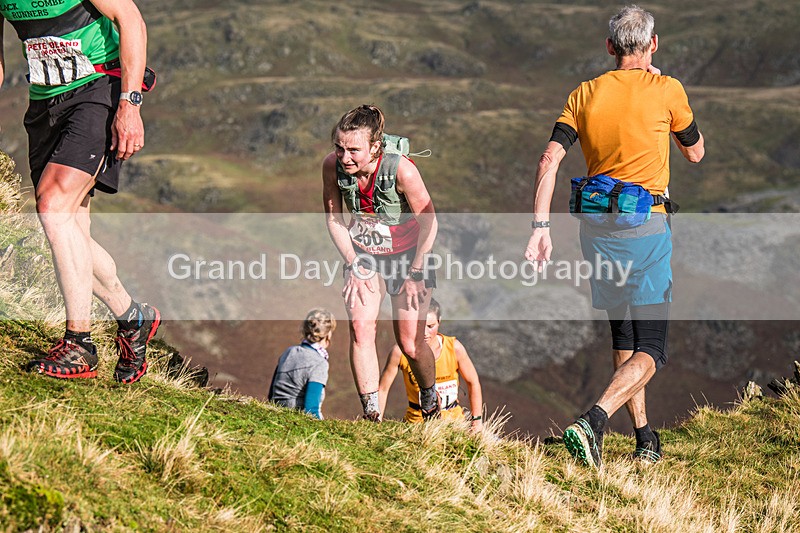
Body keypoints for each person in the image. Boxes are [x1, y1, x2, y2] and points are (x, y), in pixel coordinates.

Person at [524, 5, 705, 468]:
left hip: (597, 229)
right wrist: (660, 90)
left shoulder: (583, 94)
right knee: (653, 347)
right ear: (653, 45)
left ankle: (644, 437)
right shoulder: (668, 90)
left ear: (609, 47)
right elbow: (696, 153)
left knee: (622, 331)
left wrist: (540, 227)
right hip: (646, 228)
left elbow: (549, 161)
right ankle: (594, 421)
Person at [0, 0, 160, 382]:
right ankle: (132, 318)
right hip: (44, 103)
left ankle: (79, 344)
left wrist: (130, 103)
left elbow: (131, 19)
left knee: (53, 207)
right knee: (70, 230)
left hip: (97, 92)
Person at [322, 104, 439, 422]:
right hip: (365, 256)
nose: (345, 157)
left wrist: (416, 272)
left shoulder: (402, 170)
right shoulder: (332, 166)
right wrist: (353, 265)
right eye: (339, 147)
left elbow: (430, 223)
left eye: (353, 150)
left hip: (409, 257)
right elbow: (335, 220)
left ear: (375, 146)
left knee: (410, 343)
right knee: (361, 329)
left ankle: (429, 399)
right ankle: (371, 414)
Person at [378, 298, 484, 432]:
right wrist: (376, 424)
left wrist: (477, 421)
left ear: (439, 321)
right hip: (416, 425)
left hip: (455, 423)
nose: (425, 333)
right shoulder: (400, 352)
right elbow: (382, 389)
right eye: (419, 326)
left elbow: (473, 382)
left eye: (430, 326)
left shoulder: (454, 348)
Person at [268, 308, 336, 419]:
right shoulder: (319, 363)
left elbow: (272, 393)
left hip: (275, 412)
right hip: (296, 418)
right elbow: (311, 409)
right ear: (328, 335)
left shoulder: (288, 352)